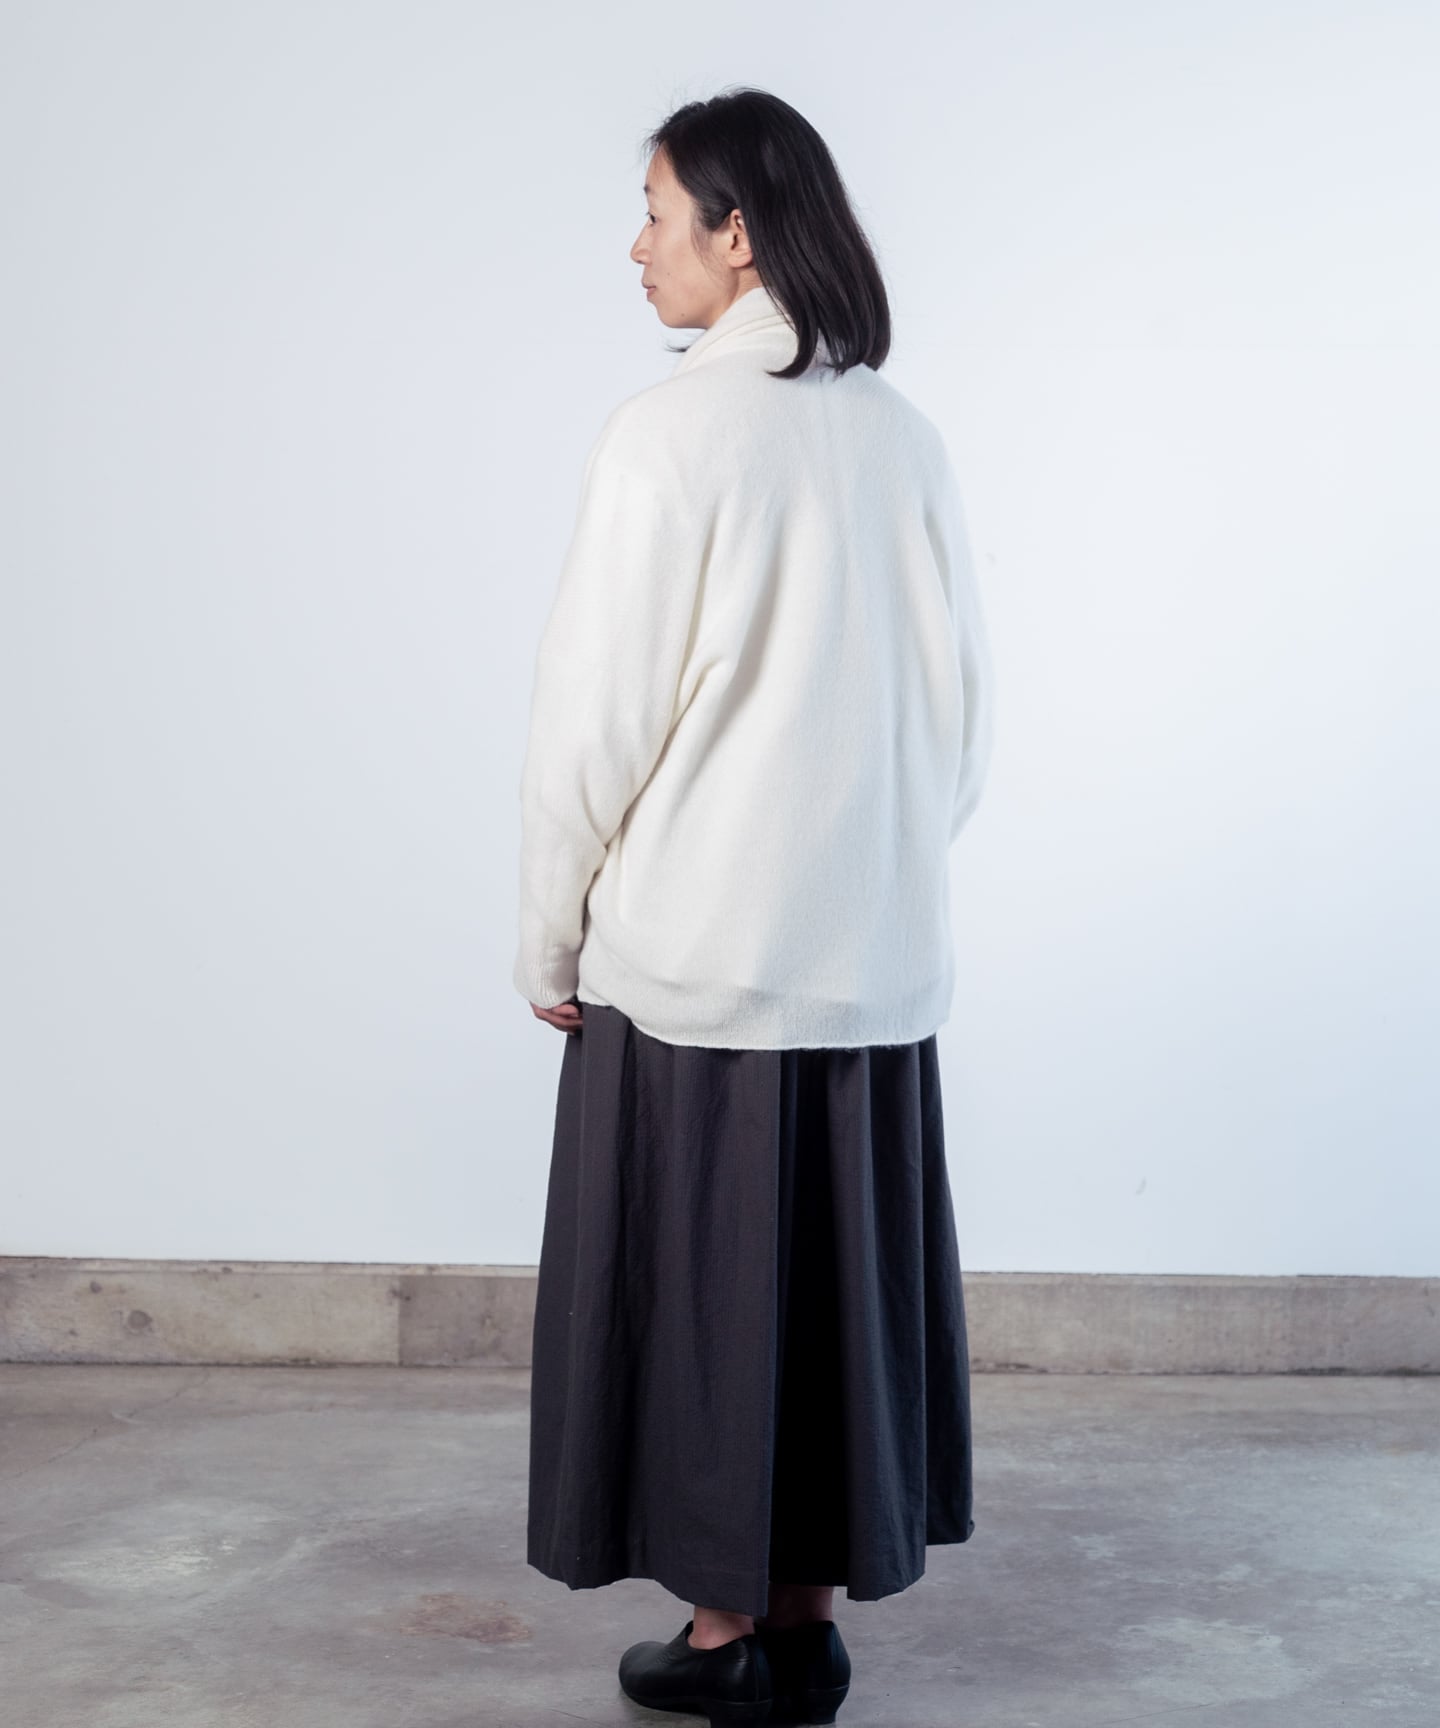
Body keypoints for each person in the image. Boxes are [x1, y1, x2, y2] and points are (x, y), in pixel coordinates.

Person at [512, 86, 995, 1727]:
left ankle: (725, 1638)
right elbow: (964, 725)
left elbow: (593, 726)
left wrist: (552, 929)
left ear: (736, 234)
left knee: (708, 1300)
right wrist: (873, 870)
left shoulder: (671, 437)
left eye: (657, 213)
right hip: (872, 968)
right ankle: (806, 1624)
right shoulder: (901, 435)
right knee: (826, 1303)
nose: (635, 246)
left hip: (702, 965)